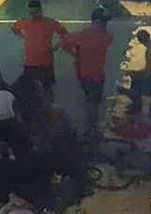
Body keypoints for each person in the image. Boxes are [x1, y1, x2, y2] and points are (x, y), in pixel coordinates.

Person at [61, 8, 113, 137]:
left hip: (91, 73)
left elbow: (64, 42)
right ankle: (92, 127)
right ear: (96, 21)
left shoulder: (84, 35)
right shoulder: (107, 36)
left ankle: (90, 127)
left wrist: (75, 54)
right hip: (90, 75)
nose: (105, 25)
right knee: (93, 101)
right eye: (103, 22)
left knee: (92, 101)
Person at [12, 0, 67, 92]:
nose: (33, 15)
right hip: (30, 62)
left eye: (35, 12)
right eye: (31, 13)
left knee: (47, 88)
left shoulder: (50, 22)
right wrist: (23, 36)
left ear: (40, 10)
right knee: (29, 89)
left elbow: (64, 34)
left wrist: (57, 46)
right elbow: (14, 29)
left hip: (45, 62)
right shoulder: (25, 22)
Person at [128, 30, 151, 116]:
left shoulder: (149, 50)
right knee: (136, 76)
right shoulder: (148, 48)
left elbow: (148, 71)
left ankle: (137, 105)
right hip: (149, 74)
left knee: (136, 80)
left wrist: (135, 73)